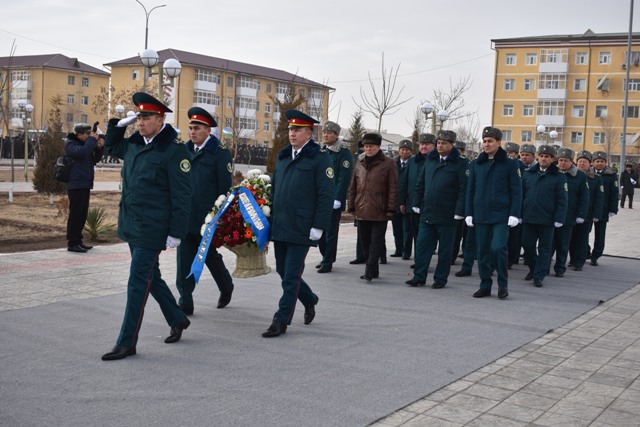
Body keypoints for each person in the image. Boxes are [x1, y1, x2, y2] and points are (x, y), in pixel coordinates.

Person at [101, 92, 192, 360]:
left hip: (154, 227)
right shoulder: (135, 143)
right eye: (138, 117)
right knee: (152, 277)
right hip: (132, 222)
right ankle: (177, 318)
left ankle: (127, 341)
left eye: (146, 117)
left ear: (160, 119)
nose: (141, 122)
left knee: (138, 281)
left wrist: (176, 232)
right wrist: (117, 125)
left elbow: (182, 196)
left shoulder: (174, 150)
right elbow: (110, 148)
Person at [262, 110, 334, 338]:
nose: (292, 134)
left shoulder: (320, 158)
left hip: (303, 226)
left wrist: (319, 226)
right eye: (290, 129)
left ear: (309, 133)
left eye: (297, 130)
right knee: (283, 271)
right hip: (281, 224)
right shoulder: (283, 157)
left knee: (292, 274)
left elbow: (326, 194)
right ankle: (310, 298)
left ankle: (281, 319)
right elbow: (274, 190)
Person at [175, 107, 234, 315]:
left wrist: (218, 217)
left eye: (197, 128)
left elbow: (225, 188)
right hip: (185, 214)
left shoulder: (220, 154)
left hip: (207, 217)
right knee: (184, 259)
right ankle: (185, 299)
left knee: (207, 255)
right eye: (190, 128)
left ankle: (226, 285)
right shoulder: (183, 150)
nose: (192, 132)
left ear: (208, 130)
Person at [406, 130, 467, 288]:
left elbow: (463, 189)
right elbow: (420, 184)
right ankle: (419, 276)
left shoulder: (460, 163)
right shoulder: (431, 160)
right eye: (438, 142)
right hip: (428, 211)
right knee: (422, 246)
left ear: (452, 145)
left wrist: (460, 212)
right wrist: (416, 203)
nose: (440, 145)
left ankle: (440, 279)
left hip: (448, 214)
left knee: (445, 251)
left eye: (444, 143)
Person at [465, 126, 521, 300]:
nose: (486, 144)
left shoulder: (510, 164)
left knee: (498, 248)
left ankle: (502, 285)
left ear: (498, 142)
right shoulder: (476, 163)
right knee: (482, 252)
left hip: (501, 215)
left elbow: (517, 191)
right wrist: (469, 212)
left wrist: (514, 213)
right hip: (481, 214)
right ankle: (485, 285)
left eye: (490, 141)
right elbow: (470, 190)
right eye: (484, 141)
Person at [347, 132, 398, 282]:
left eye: (371, 146)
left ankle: (369, 271)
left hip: (380, 210)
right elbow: (353, 186)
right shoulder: (359, 163)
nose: (368, 149)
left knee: (376, 243)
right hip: (362, 209)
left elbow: (393, 187)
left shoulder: (389, 163)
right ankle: (373, 270)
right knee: (365, 242)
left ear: (378, 147)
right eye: (366, 146)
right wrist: (351, 205)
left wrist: (390, 208)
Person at [521, 145, 568, 287]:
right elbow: (521, 195)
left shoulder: (559, 177)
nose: (543, 158)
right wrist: (519, 214)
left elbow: (562, 199)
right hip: (528, 217)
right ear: (537, 157)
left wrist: (559, 218)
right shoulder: (529, 174)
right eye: (541, 156)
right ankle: (534, 268)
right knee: (527, 245)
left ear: (552, 159)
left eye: (547, 156)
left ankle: (539, 275)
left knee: (544, 248)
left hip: (547, 219)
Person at [315, 121, 353, 273]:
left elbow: (345, 177)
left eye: (329, 133)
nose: (325, 135)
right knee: (319, 231)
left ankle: (328, 261)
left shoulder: (343, 153)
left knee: (331, 232)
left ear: (336, 135)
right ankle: (326, 255)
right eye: (324, 132)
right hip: (320, 197)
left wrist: (338, 198)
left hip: (333, 199)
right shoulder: (321, 151)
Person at [64, 123, 104, 253]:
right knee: (75, 214)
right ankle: (72, 243)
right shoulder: (71, 144)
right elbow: (82, 153)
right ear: (79, 134)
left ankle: (78, 241)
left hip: (84, 183)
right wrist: (92, 141)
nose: (89, 136)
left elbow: (94, 160)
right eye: (87, 134)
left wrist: (99, 148)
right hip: (75, 184)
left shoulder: (85, 145)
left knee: (82, 215)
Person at [399, 133, 434, 268]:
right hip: (413, 204)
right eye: (421, 144)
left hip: (430, 205)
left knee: (426, 236)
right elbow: (404, 182)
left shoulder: (435, 160)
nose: (424, 146)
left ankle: (424, 261)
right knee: (415, 234)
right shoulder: (413, 161)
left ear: (433, 145)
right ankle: (419, 260)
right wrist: (402, 202)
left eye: (427, 144)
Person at [552, 148, 588, 277]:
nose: (562, 163)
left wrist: (581, 214)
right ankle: (544, 267)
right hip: (551, 214)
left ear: (571, 161)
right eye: (560, 160)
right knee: (549, 244)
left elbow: (584, 197)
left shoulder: (580, 176)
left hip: (568, 215)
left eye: (565, 161)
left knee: (563, 244)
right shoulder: (553, 173)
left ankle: (560, 268)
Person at [569, 150, 604, 271]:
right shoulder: (572, 176)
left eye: (584, 162)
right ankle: (572, 259)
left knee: (582, 239)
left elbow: (599, 198)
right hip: (572, 212)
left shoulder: (595, 178)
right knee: (572, 238)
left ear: (590, 164)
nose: (581, 164)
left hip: (587, 214)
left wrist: (596, 214)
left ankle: (579, 262)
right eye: (579, 161)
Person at [590, 151, 619, 266]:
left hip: (603, 209)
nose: (599, 163)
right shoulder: (588, 173)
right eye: (597, 161)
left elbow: (614, 193)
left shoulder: (611, 175)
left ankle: (595, 255)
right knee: (584, 232)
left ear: (605, 163)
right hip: (589, 208)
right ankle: (585, 251)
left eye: (602, 161)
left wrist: (613, 209)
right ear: (593, 162)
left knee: (600, 234)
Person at [391, 139, 413, 259]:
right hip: (395, 200)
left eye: (407, 150)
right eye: (402, 149)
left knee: (407, 229)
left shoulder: (413, 163)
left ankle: (406, 251)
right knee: (396, 228)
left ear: (410, 151)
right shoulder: (393, 162)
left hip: (407, 200)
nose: (404, 152)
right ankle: (398, 249)